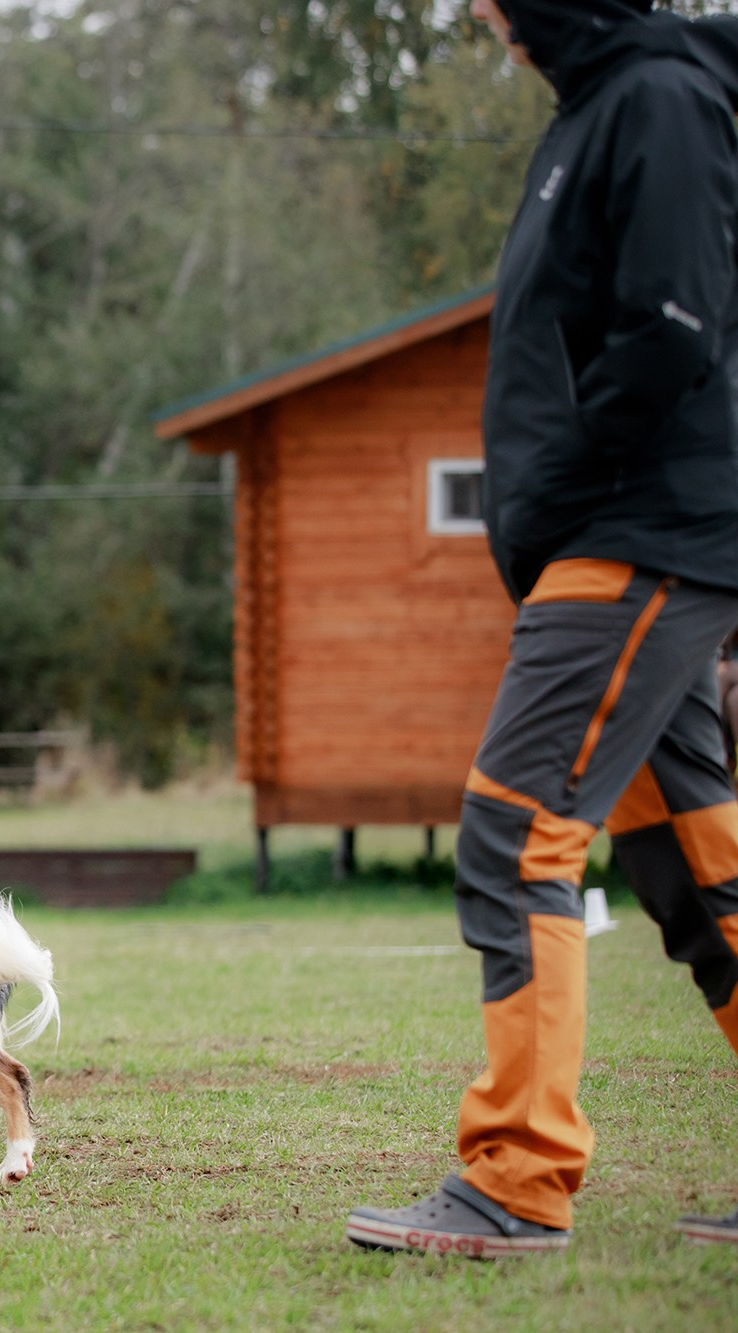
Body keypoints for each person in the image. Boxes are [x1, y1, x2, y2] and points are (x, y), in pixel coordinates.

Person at [347, 0, 738, 1256]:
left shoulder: (659, 100)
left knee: (516, 833)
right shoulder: (601, 110)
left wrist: (562, 486)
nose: (475, 10)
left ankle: (515, 1180)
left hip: (636, 543)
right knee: (695, 866)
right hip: (621, 542)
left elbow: (671, 329)